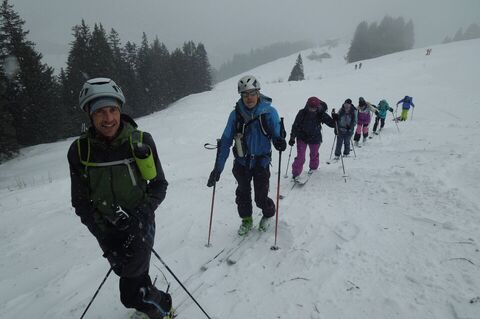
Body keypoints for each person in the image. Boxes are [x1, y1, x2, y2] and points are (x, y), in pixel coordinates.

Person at [67, 78, 172, 319]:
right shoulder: (80, 151)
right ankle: (149, 295)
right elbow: (81, 202)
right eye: (100, 112)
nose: (108, 118)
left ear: (120, 109)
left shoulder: (141, 141)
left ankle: (163, 308)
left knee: (130, 294)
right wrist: (102, 233)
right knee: (128, 272)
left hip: (141, 225)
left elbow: (159, 186)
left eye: (113, 110)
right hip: (106, 229)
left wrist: (141, 216)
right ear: (89, 114)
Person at [206, 75, 286, 236]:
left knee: (260, 197)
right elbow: (226, 141)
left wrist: (279, 141)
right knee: (242, 194)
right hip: (242, 162)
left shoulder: (269, 112)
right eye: (245, 94)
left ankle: (268, 213)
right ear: (240, 96)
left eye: (252, 93)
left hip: (261, 162)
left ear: (258, 93)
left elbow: (277, 133)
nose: (249, 98)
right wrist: (217, 169)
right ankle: (246, 219)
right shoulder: (235, 115)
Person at [288, 96, 335, 178]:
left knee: (314, 154)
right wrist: (292, 137)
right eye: (311, 107)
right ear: (307, 105)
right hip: (302, 137)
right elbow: (295, 125)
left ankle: (313, 168)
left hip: (315, 137)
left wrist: (335, 119)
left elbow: (331, 124)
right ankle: (295, 173)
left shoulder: (321, 113)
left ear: (318, 107)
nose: (312, 109)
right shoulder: (302, 113)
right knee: (301, 157)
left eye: (314, 108)